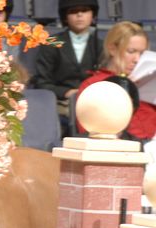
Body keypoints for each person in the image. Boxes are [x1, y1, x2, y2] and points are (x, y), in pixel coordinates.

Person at [77, 21, 156, 142]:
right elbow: (90, 132)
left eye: (142, 53)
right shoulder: (95, 86)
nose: (137, 59)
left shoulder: (149, 82)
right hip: (120, 150)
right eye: (131, 51)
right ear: (113, 49)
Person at [34, 0, 102, 131]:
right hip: (60, 103)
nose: (79, 15)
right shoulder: (51, 43)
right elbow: (42, 82)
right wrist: (66, 92)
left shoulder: (101, 45)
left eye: (85, 10)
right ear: (65, 16)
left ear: (93, 14)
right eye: (73, 11)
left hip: (92, 103)